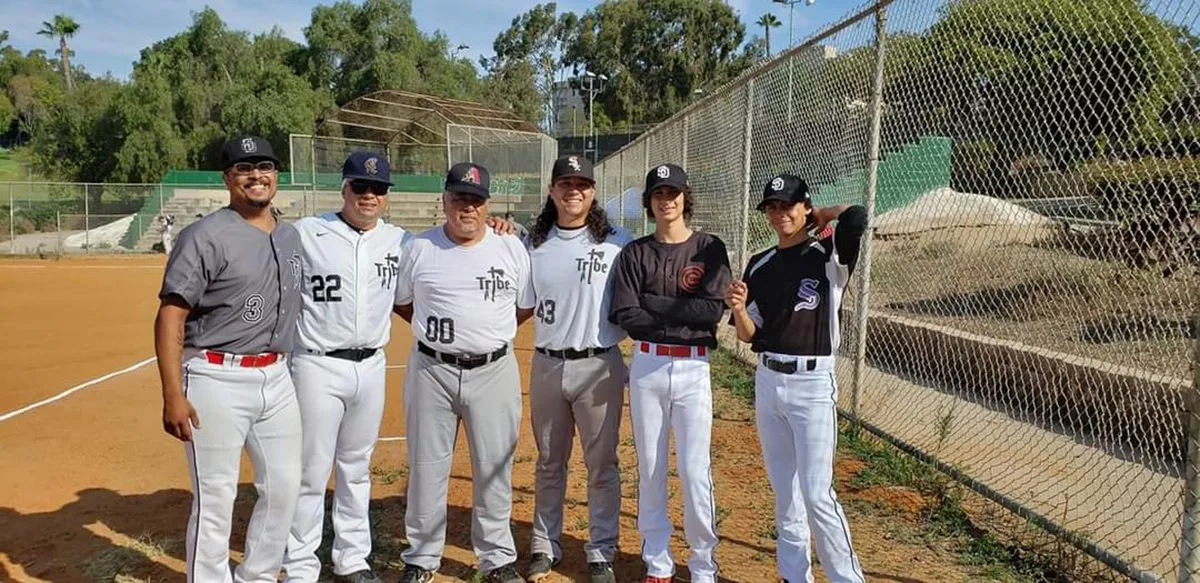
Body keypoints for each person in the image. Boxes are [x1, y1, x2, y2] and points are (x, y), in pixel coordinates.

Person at [153, 135, 304, 583]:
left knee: (283, 489)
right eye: (244, 167)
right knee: (216, 497)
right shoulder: (204, 236)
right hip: (216, 376)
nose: (257, 175)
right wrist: (171, 394)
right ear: (227, 178)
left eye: (265, 166)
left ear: (277, 174)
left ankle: (256, 576)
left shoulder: (291, 233)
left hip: (276, 377)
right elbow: (170, 316)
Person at [394, 162, 534, 583]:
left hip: (494, 369)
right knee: (426, 466)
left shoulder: (510, 248)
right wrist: (442, 334)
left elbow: (524, 307)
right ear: (444, 201)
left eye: (475, 199)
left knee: (494, 468)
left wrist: (485, 332)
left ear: (487, 204)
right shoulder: (419, 248)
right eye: (459, 198)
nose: (467, 207)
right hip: (431, 370)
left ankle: (496, 558)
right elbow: (403, 303)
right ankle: (421, 557)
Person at [724, 174, 867, 583]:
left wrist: (823, 216)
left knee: (817, 494)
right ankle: (793, 575)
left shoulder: (828, 255)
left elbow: (856, 218)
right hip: (769, 379)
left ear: (805, 207)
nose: (779, 212)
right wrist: (736, 309)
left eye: (788, 204)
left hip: (812, 384)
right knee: (785, 495)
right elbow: (752, 334)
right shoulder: (761, 264)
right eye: (772, 206)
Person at [281, 152, 411, 583]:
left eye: (378, 189)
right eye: (360, 186)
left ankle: (352, 557)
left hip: (372, 365)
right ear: (344, 189)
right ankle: (300, 563)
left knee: (357, 466)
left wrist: (506, 226)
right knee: (310, 468)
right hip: (317, 364)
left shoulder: (400, 241)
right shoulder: (308, 232)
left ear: (387, 196)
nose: (369, 195)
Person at [608, 163, 732, 583]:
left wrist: (655, 303)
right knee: (650, 465)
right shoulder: (635, 253)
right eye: (659, 194)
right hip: (647, 365)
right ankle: (657, 560)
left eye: (673, 192)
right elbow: (628, 315)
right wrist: (678, 311)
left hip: (694, 366)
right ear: (649, 202)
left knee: (696, 470)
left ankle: (702, 564)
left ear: (685, 197)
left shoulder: (709, 248)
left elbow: (712, 310)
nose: (667, 200)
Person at [524, 155, 632, 583]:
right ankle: (543, 544)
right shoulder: (531, 242)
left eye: (582, 183)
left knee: (601, 462)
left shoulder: (618, 241)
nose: (574, 190)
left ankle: (601, 549)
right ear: (551, 190)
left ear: (593, 191)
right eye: (565, 183)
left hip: (599, 365)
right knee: (550, 461)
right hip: (548, 364)